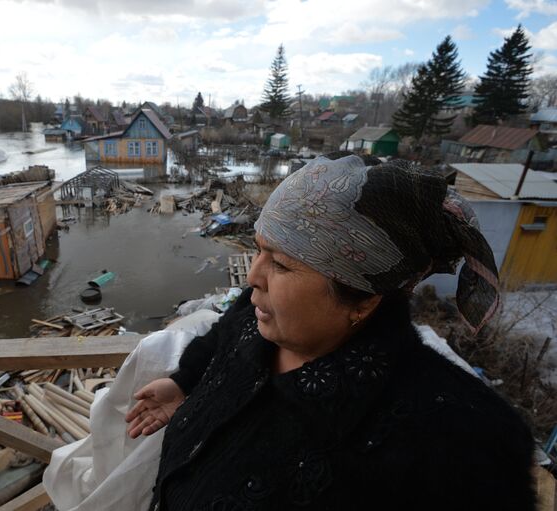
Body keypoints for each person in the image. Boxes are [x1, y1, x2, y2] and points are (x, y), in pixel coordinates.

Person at [126, 153, 536, 510]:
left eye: (282, 264)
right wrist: (184, 383)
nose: (252, 275)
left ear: (364, 300)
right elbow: (222, 337)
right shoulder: (259, 318)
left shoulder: (463, 442)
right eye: (258, 249)